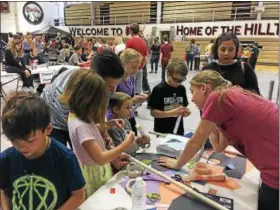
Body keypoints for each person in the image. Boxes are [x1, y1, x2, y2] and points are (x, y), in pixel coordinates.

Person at [158, 70, 279, 210]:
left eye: (192, 91)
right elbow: (219, 147)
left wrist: (177, 164)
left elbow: (196, 142)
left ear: (203, 88)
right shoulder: (231, 95)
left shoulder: (218, 96)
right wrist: (210, 119)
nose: (191, 99)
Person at [0, 92, 86, 210]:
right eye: (14, 141)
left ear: (48, 129)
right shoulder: (6, 159)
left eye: (30, 140)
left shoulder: (65, 158)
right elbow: (4, 191)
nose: (22, 147)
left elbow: (78, 196)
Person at [61, 69, 134, 197]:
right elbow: (101, 158)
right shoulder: (81, 126)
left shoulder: (75, 115)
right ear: (90, 101)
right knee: (99, 201)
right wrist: (125, 144)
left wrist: (108, 124)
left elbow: (91, 131)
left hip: (93, 168)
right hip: (93, 173)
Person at [41, 50, 125, 148]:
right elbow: (79, 129)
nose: (113, 90)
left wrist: (105, 135)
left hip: (72, 116)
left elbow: (99, 111)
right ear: (95, 76)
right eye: (110, 86)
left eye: (116, 85)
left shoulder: (103, 86)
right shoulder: (66, 91)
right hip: (53, 119)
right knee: (60, 154)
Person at [107, 48, 148, 135]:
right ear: (123, 63)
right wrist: (133, 100)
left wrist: (137, 99)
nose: (136, 70)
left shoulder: (131, 77)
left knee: (135, 137)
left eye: (138, 67)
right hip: (116, 117)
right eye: (133, 67)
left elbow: (130, 97)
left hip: (128, 114)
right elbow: (111, 101)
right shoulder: (116, 80)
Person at [148, 58, 190, 135]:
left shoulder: (182, 89)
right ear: (167, 73)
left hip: (178, 130)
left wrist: (186, 112)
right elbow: (153, 112)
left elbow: (183, 106)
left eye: (182, 80)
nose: (178, 83)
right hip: (162, 131)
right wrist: (170, 113)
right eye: (176, 80)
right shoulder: (158, 89)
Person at [126, 23, 149, 96]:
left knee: (130, 87)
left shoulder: (129, 41)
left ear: (131, 31)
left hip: (131, 68)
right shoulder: (143, 42)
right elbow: (146, 57)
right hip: (140, 68)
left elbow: (126, 55)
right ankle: (138, 102)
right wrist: (142, 66)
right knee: (138, 87)